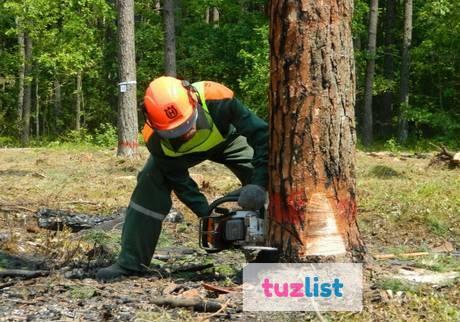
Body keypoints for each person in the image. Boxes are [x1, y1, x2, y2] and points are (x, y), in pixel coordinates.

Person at [96, 76, 268, 281]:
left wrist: (258, 183)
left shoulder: (216, 98)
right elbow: (180, 181)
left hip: (228, 140)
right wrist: (207, 215)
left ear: (192, 99)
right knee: (150, 180)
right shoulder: (154, 139)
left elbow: (262, 135)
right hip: (181, 155)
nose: (185, 132)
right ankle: (131, 262)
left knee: (271, 175)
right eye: (175, 132)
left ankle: (268, 257)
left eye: (186, 123)